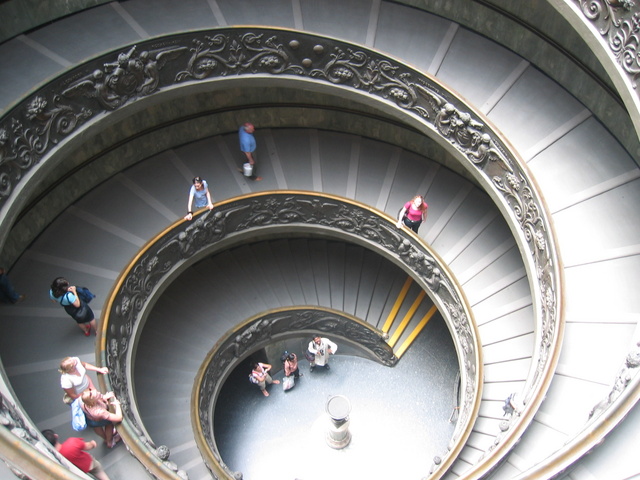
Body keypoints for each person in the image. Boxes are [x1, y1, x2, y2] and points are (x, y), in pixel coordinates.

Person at [42, 429, 111, 480]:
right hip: (90, 465)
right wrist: (93, 443)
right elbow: (88, 446)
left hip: (77, 473)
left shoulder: (52, 458)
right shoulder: (71, 443)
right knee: (101, 475)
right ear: (56, 436)